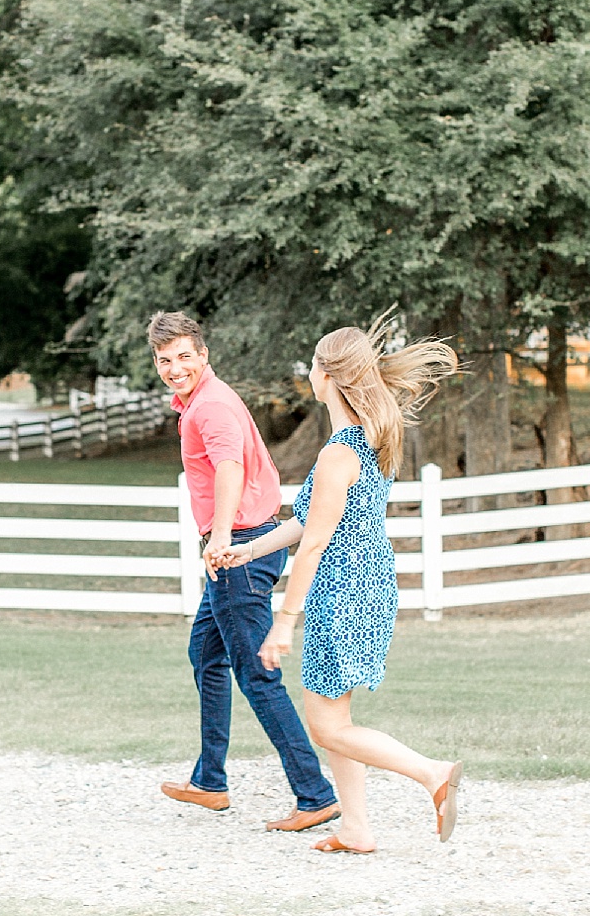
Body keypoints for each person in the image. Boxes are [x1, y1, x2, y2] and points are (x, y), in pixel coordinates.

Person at [213, 315, 463, 853]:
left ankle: (432, 774)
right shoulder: (367, 441)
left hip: (343, 592)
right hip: (369, 585)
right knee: (336, 714)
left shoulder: (338, 453)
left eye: (313, 364)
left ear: (326, 376)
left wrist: (283, 623)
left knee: (326, 727)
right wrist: (248, 548)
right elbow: (308, 521)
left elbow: (315, 545)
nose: (309, 371)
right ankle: (355, 828)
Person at [148, 311, 342, 833]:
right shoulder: (205, 401)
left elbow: (230, 469)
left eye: (184, 356)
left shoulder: (209, 407)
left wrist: (219, 539)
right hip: (245, 539)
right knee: (205, 655)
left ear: (204, 355)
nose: (174, 368)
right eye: (165, 360)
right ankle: (209, 780)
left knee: (257, 672)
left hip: (240, 547)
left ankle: (315, 793)